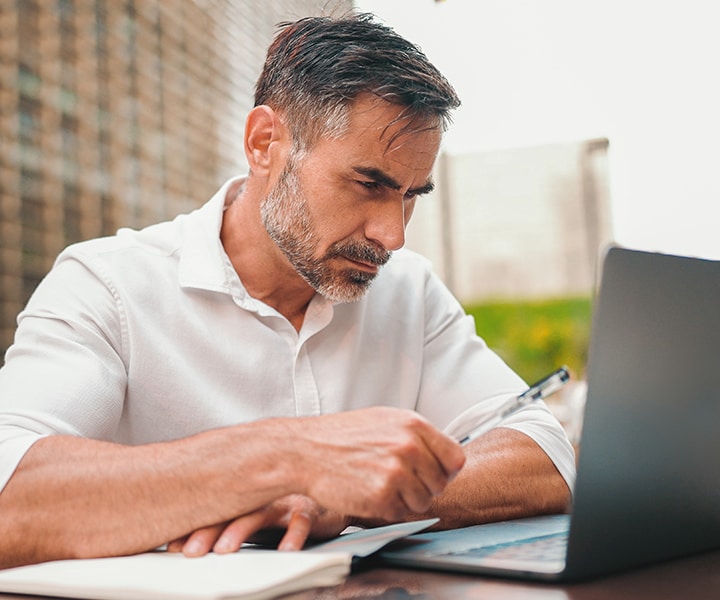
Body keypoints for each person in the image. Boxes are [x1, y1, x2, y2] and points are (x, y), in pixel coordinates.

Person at [0, 12, 575, 569]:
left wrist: (363, 493)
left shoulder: (410, 291)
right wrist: (285, 460)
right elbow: (10, 497)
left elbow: (546, 457)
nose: (393, 234)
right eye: (368, 183)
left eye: (410, 195)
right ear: (264, 143)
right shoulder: (107, 284)